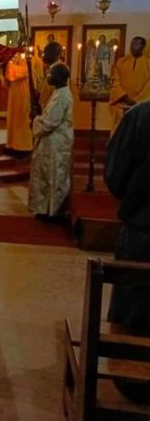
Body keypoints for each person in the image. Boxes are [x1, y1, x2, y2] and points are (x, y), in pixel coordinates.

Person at [105, 100, 150, 404]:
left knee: (135, 309)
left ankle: (132, 381)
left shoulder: (141, 116)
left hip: (143, 234)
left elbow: (116, 177)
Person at [28, 63, 73, 220]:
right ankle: (45, 209)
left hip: (56, 144)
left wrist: (35, 119)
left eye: (50, 73)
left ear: (59, 77)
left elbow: (49, 122)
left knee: (54, 177)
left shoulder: (62, 97)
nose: (48, 76)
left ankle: (54, 212)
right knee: (48, 175)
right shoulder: (59, 92)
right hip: (52, 142)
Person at [109, 36, 150, 131]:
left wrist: (137, 100)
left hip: (140, 105)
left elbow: (149, 85)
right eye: (132, 43)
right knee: (120, 131)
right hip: (122, 103)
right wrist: (123, 96)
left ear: (143, 47)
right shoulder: (121, 62)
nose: (133, 46)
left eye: (136, 44)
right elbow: (115, 81)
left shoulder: (148, 63)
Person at [5, 54, 33, 154]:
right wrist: (5, 70)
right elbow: (7, 80)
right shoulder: (12, 61)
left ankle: (23, 146)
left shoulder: (22, 60)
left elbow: (21, 73)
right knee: (12, 118)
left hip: (21, 93)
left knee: (21, 119)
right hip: (13, 93)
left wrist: (9, 65)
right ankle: (12, 144)